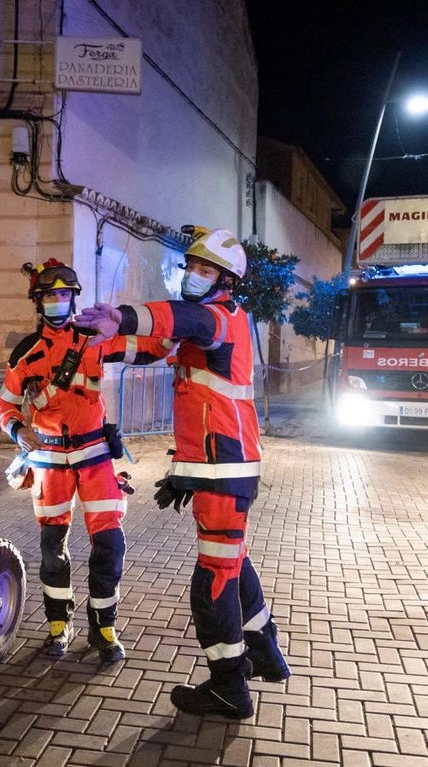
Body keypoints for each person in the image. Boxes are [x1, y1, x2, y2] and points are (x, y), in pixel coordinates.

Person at [74, 226, 289, 719]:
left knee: (212, 579)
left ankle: (228, 687)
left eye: (205, 269)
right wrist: (105, 341)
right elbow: (155, 347)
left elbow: (175, 317)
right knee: (234, 562)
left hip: (224, 466)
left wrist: (122, 314)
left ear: (225, 279)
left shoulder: (216, 317)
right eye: (190, 266)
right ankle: (265, 652)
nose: (193, 275)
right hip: (220, 465)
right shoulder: (208, 327)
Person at [0, 259, 172, 664]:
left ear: (73, 299)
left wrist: (151, 326)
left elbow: (152, 349)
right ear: (38, 302)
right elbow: (5, 404)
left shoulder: (94, 338)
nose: (59, 301)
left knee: (109, 543)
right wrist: (18, 432)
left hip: (94, 454)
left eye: (65, 294)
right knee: (52, 547)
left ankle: (103, 626)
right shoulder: (26, 352)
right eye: (51, 295)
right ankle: (59, 625)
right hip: (50, 457)